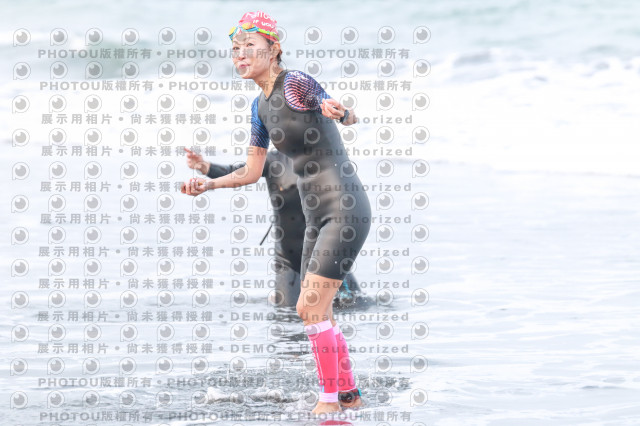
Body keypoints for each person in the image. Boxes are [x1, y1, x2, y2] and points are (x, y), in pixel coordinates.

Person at [181, 11, 370, 414]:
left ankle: (329, 403)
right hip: (315, 216)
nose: (241, 54)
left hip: (344, 206)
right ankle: (348, 395)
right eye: (235, 49)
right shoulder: (259, 109)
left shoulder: (295, 83)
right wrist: (209, 184)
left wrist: (342, 112)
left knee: (308, 307)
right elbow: (251, 171)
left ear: (274, 49)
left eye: (250, 46)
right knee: (317, 309)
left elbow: (337, 109)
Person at [183, 147, 364, 308]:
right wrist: (204, 166)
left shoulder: (324, 156)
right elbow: (237, 172)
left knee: (354, 306)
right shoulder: (273, 161)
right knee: (288, 316)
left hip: (326, 256)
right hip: (288, 260)